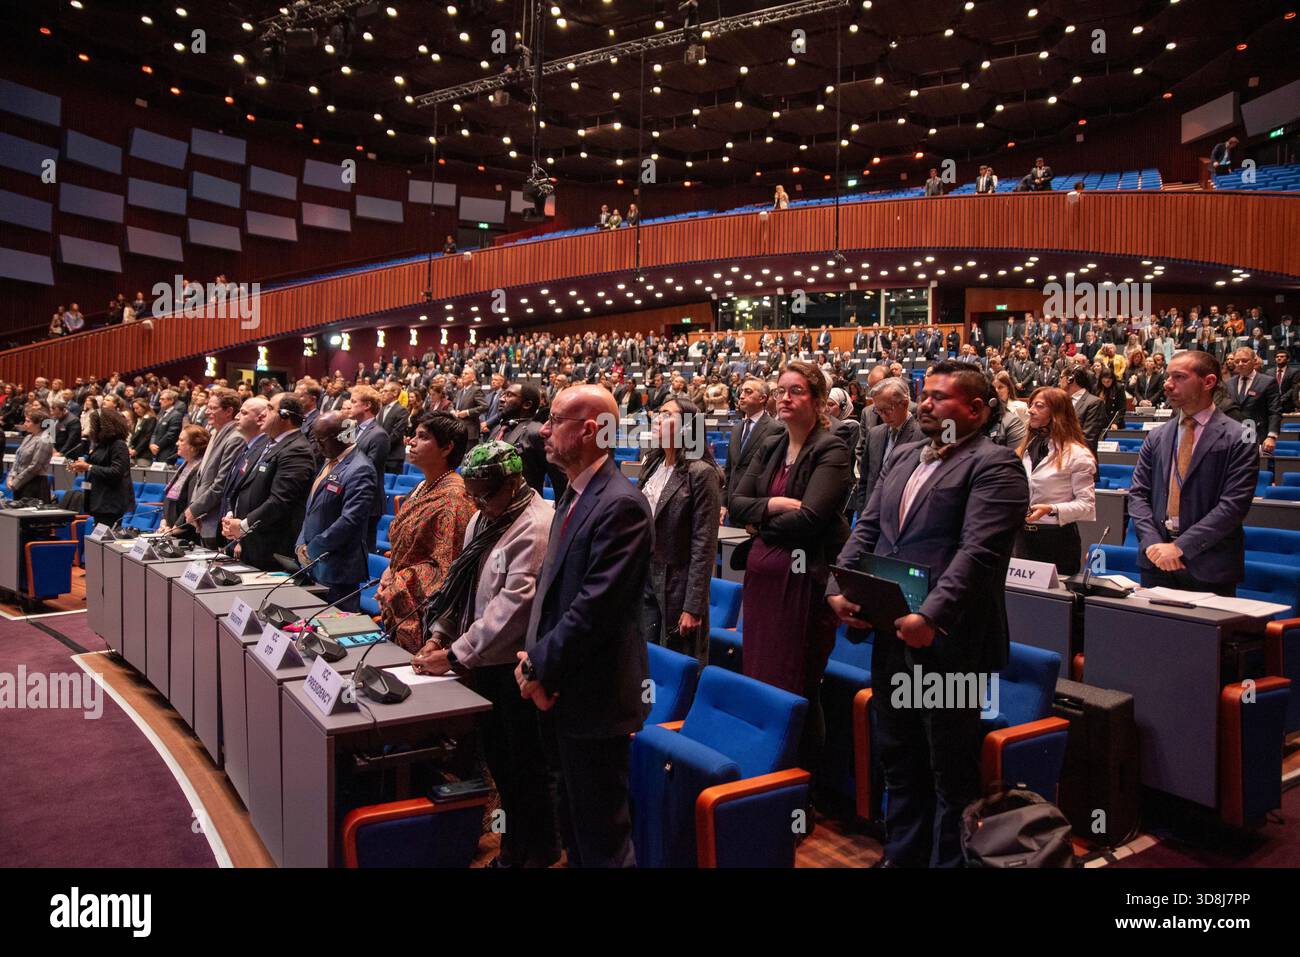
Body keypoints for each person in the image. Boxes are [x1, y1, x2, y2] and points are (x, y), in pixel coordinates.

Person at [828, 360, 1029, 868]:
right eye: (925, 394)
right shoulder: (904, 458)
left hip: (949, 645)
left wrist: (933, 616)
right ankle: (902, 858)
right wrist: (839, 587)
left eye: (940, 396)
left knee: (949, 774)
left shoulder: (996, 464)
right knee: (899, 761)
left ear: (977, 410)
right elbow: (867, 527)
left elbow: (978, 553)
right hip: (894, 634)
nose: (925, 402)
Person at [515, 385, 652, 868]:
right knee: (574, 831)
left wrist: (538, 667)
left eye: (555, 420)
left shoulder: (622, 505)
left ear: (590, 430)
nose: (544, 431)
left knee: (603, 843)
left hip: (595, 698)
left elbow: (595, 609)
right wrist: (536, 666)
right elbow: (552, 594)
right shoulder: (572, 495)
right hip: (558, 689)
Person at [411, 441, 560, 869]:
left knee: (525, 766)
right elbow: (464, 585)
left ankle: (535, 852)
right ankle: (519, 847)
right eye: (473, 493)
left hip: (515, 666)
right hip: (482, 661)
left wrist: (456, 655)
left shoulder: (536, 526)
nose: (477, 502)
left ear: (514, 484)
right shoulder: (483, 515)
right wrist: (440, 635)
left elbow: (511, 611)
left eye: (486, 493)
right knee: (501, 764)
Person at [729, 360, 851, 771]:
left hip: (801, 582)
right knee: (760, 679)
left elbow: (812, 519)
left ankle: (799, 788)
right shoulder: (772, 443)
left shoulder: (831, 448)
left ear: (818, 401)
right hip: (762, 582)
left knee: (795, 684)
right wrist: (775, 506)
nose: (785, 397)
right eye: (781, 389)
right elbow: (735, 503)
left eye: (796, 390)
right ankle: (764, 776)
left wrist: (759, 521)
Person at [1128, 351, 1258, 595]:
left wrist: (1180, 547)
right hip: (1156, 562)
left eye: (1179, 377)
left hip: (1209, 564)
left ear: (1208, 382)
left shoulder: (1239, 437)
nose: (1167, 384)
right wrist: (1153, 543)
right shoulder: (1157, 436)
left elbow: (1233, 506)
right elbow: (1137, 496)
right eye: (1168, 377)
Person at [376, 411, 474, 652]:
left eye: (422, 437)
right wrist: (389, 572)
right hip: (400, 602)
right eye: (413, 435)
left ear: (446, 448)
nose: (411, 441)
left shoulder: (455, 499)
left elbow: (447, 571)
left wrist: (398, 582)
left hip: (429, 621)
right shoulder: (422, 486)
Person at [638, 398, 722, 663]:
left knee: (675, 659)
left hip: (677, 581)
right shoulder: (652, 464)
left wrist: (693, 606)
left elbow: (704, 544)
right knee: (647, 656)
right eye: (657, 413)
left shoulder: (701, 472)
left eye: (666, 414)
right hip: (646, 574)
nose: (657, 418)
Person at [220, 394, 316, 571]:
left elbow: (280, 501)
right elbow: (241, 485)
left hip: (271, 547)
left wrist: (242, 526)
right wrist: (231, 515)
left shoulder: (297, 450)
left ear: (285, 416)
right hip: (250, 541)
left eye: (270, 408)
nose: (263, 414)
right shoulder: (265, 443)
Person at [295, 412, 376, 610]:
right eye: (315, 439)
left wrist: (312, 549)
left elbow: (350, 521)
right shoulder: (329, 460)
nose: (317, 446)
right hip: (313, 564)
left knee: (334, 634)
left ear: (343, 436)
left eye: (322, 440)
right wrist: (300, 546)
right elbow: (312, 509)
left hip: (339, 570)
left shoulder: (360, 469)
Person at [1013, 388, 1096, 575]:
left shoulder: (1077, 454)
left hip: (1056, 540)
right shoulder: (1026, 448)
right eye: (1031, 405)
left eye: (1039, 406)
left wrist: (1052, 509)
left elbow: (1087, 506)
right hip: (1022, 538)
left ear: (1057, 412)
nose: (1031, 410)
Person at [184, 390, 246, 548]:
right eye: (207, 407)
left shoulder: (235, 438)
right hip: (205, 515)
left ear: (228, 411)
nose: (207, 411)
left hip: (216, 518)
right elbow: (203, 479)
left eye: (212, 408)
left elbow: (221, 483)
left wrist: (196, 508)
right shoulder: (215, 433)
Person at [855, 377, 920, 513]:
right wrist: (862, 515)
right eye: (878, 411)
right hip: (872, 514)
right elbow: (865, 481)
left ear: (905, 403)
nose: (883, 415)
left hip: (901, 514)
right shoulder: (874, 434)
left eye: (887, 410)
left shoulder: (922, 436)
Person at [723, 378, 783, 520]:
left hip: (756, 507)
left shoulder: (776, 428)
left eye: (748, 392)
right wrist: (723, 504)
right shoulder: (737, 429)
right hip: (733, 506)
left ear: (762, 398)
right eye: (742, 391)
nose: (742, 395)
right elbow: (730, 470)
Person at [69, 409, 135, 531]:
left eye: (93, 424)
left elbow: (116, 472)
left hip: (110, 503)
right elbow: (98, 466)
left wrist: (89, 467)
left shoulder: (118, 445)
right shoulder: (102, 444)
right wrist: (83, 466)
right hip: (98, 500)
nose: (91, 428)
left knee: (105, 541)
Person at [346, 384, 391, 551]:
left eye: (353, 401)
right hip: (349, 497)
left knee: (363, 550)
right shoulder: (350, 428)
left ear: (367, 405)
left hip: (367, 502)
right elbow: (337, 458)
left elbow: (366, 471)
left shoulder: (378, 434)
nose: (349, 404)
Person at [1224, 348, 1281, 453]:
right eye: (1237, 361)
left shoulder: (1267, 382)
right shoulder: (1229, 383)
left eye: (1244, 360)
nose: (1240, 364)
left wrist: (1272, 436)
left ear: (1254, 361)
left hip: (1257, 435)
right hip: (1232, 436)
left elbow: (1274, 411)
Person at [158, 425, 208, 539]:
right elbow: (169, 496)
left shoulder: (198, 469)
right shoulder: (185, 464)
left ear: (193, 447)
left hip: (185, 533)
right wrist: (164, 520)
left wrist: (176, 527)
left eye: (181, 440)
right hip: (171, 528)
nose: (177, 443)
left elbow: (191, 503)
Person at [7, 408, 54, 502]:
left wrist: (16, 482)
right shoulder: (28, 437)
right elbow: (17, 459)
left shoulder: (45, 439)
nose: (25, 424)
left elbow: (35, 466)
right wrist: (11, 477)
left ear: (38, 424)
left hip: (35, 484)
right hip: (21, 483)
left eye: (28, 421)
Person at [1065, 368, 1107, 452]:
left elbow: (1088, 438)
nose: (1059, 381)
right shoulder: (1063, 401)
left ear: (1071, 380)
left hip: (1080, 458)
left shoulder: (1094, 403)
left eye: (1061, 377)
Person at [377, 380, 409, 474]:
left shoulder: (402, 410)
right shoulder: (382, 409)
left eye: (385, 391)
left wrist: (380, 446)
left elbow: (396, 434)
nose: (382, 393)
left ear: (395, 393)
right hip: (381, 456)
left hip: (393, 458)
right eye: (382, 391)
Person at [150, 390, 184, 464]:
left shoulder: (176, 415)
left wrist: (157, 446)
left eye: (162, 399)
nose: (159, 401)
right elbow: (154, 431)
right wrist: (152, 444)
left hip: (167, 452)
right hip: (156, 450)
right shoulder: (161, 413)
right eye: (160, 399)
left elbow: (171, 435)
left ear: (171, 401)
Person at [127, 399, 156, 465]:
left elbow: (147, 437)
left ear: (144, 407)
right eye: (134, 409)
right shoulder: (138, 419)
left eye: (137, 408)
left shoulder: (151, 419)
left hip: (144, 454)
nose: (135, 411)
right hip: (133, 453)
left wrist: (136, 450)